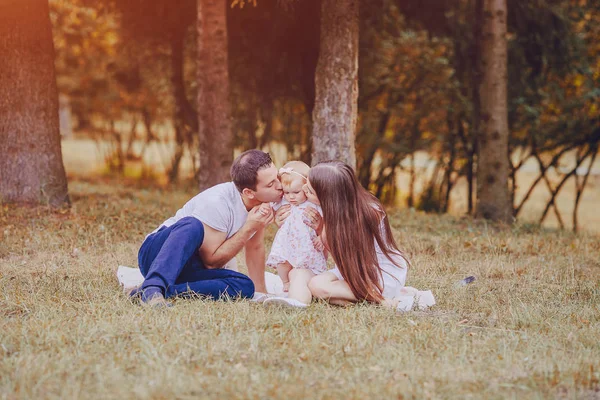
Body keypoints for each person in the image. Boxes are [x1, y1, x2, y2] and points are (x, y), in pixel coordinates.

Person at [128, 150, 283, 307]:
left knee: (245, 285)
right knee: (192, 225)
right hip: (158, 255)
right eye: (271, 184)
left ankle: (162, 290)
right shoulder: (217, 203)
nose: (280, 185)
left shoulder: (260, 204)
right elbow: (211, 262)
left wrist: (261, 293)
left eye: (277, 177)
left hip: (191, 267)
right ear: (249, 192)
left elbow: (255, 247)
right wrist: (248, 228)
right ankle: (152, 287)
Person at [302, 160, 410, 309]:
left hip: (378, 273)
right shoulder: (333, 208)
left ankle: (380, 300)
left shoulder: (369, 212)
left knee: (320, 288)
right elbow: (339, 257)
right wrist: (321, 228)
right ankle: (363, 302)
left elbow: (355, 261)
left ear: (327, 196)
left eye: (310, 190)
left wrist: (324, 230)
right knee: (314, 285)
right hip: (350, 269)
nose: (303, 190)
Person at [262, 161, 327, 308]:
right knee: (282, 263)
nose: (291, 197)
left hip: (306, 244)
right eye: (287, 192)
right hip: (286, 243)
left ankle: (300, 285)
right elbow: (269, 205)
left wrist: (321, 237)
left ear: (306, 188)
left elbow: (327, 221)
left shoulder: (313, 204)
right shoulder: (284, 202)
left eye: (296, 192)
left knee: (305, 264)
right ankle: (285, 283)